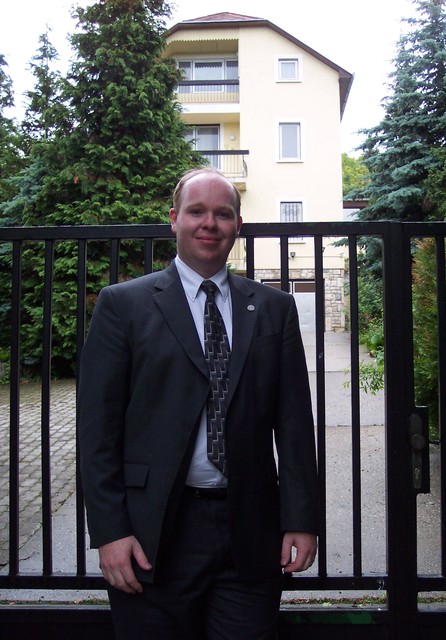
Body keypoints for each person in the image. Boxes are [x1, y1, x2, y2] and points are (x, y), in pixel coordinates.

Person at [78, 168, 319, 640]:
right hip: (152, 536)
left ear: (238, 225)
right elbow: (97, 432)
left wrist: (301, 519)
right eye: (197, 211)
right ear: (174, 220)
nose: (210, 223)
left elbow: (294, 425)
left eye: (223, 214)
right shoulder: (123, 306)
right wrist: (109, 532)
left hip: (250, 533)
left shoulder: (273, 308)